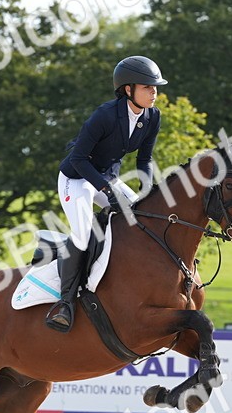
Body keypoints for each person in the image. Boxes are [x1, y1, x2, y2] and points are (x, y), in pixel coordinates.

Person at [46, 55, 166, 332]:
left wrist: (147, 189)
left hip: (107, 178)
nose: (154, 92)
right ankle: (65, 303)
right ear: (128, 89)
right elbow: (78, 159)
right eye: (148, 87)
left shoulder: (152, 117)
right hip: (76, 178)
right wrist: (104, 188)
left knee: (143, 218)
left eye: (155, 87)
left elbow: (144, 160)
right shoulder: (105, 115)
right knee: (83, 232)